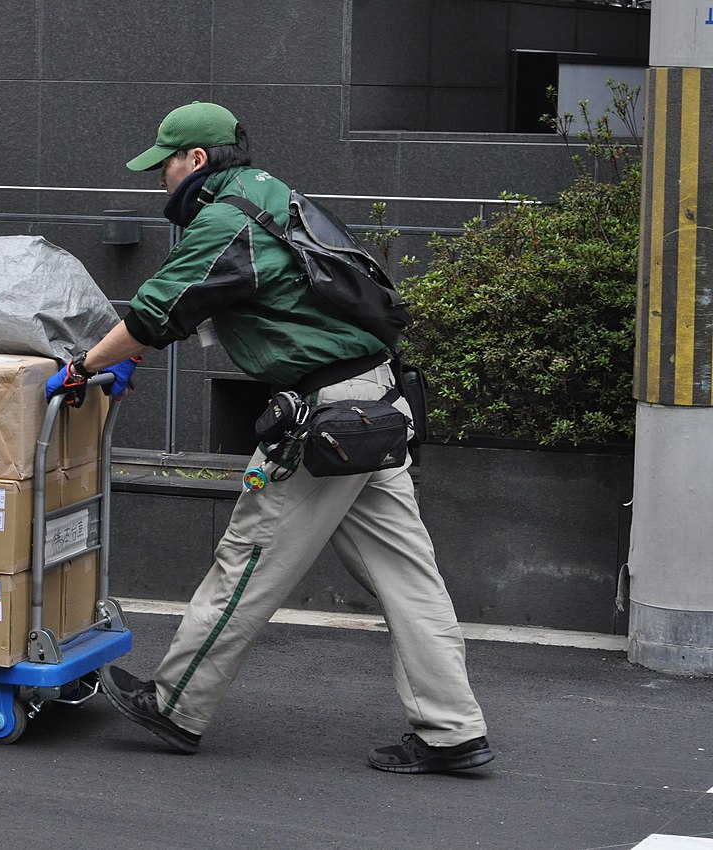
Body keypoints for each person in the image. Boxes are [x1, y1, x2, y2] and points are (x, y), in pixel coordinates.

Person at [44, 101, 493, 773]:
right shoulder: (272, 197)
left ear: (195, 161)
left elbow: (156, 310)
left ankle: (177, 703)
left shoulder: (225, 221)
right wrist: (133, 352)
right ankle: (452, 728)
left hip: (325, 418)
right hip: (377, 401)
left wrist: (83, 366)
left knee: (249, 558)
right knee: (410, 577)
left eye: (162, 164)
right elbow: (207, 305)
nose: (158, 179)